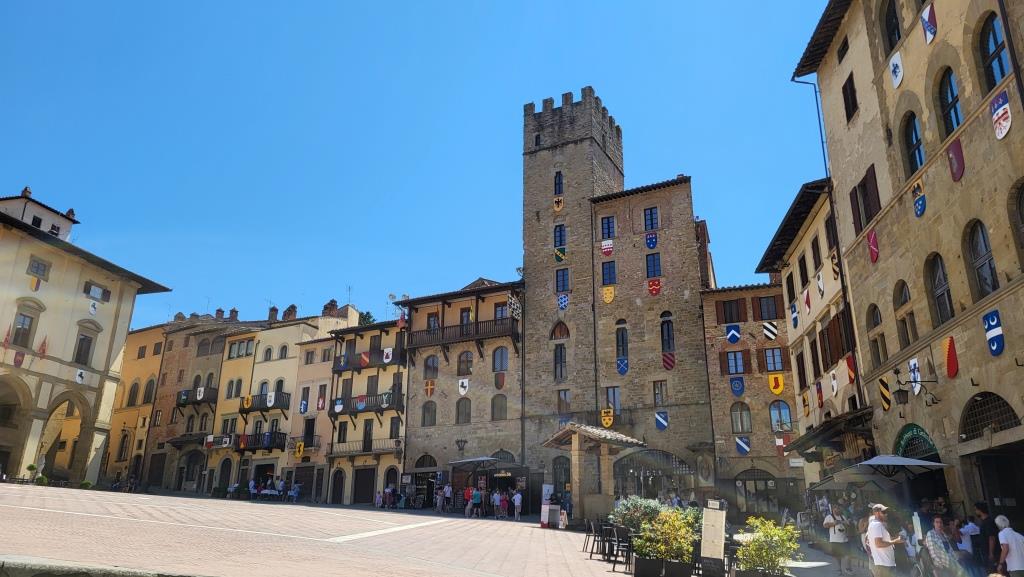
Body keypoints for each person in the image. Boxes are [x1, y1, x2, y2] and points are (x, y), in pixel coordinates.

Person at [867, 504, 904, 576]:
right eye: (884, 512)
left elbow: (884, 540)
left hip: (884, 563)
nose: (886, 514)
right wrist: (895, 541)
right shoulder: (877, 525)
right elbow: (879, 544)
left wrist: (896, 538)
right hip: (884, 564)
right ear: (877, 513)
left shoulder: (874, 524)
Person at [824, 503, 852, 575]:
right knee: (837, 556)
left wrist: (846, 524)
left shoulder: (842, 516)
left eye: (839, 508)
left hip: (844, 539)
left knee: (848, 554)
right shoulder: (829, 517)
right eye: (837, 508)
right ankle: (839, 569)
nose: (838, 510)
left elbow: (847, 525)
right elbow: (825, 525)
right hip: (835, 540)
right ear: (833, 509)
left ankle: (847, 568)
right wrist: (833, 523)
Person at [976, 502, 999, 572]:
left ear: (980, 510)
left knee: (993, 572)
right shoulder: (984, 522)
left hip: (991, 553)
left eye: (976, 509)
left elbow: (992, 537)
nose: (975, 511)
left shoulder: (988, 522)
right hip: (987, 553)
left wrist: (991, 553)